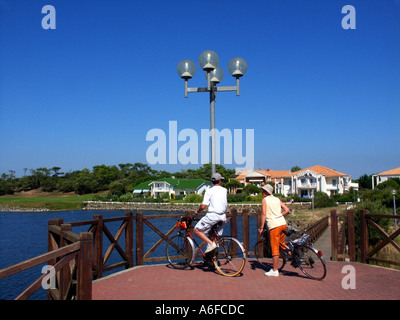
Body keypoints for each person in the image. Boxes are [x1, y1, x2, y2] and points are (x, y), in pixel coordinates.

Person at [259, 184, 290, 277]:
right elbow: (287, 210)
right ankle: (295, 257)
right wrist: (279, 215)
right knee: (282, 243)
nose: (262, 193)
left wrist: (261, 227)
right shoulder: (277, 199)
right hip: (283, 223)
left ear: (266, 192)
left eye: (263, 191)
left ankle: (275, 270)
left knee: (275, 247)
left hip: (274, 226)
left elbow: (264, 214)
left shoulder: (265, 200)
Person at [194, 172, 228, 254]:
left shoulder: (209, 191)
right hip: (223, 217)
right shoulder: (224, 190)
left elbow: (203, 206)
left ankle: (211, 244)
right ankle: (212, 258)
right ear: (219, 181)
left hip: (213, 216)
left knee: (196, 230)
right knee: (214, 236)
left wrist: (197, 212)